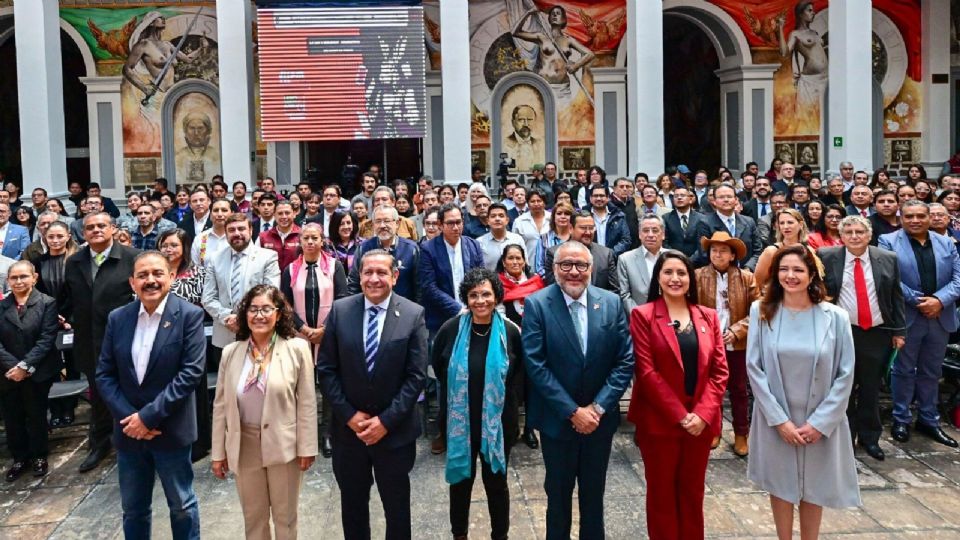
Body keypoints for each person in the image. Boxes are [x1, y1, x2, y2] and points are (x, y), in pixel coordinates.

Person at [746, 244, 860, 540]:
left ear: (812, 275)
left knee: (814, 485)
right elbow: (754, 369)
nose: (790, 276)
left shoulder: (835, 317)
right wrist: (779, 420)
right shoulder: (761, 311)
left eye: (798, 269)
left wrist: (821, 423)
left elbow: (845, 373)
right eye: (783, 269)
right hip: (777, 417)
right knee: (781, 484)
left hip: (818, 418)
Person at [522, 240, 634, 540]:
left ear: (591, 268)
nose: (574, 272)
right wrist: (572, 411)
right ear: (554, 269)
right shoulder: (537, 304)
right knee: (557, 498)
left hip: (600, 421)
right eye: (566, 265)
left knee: (593, 497)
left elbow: (624, 361)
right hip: (557, 422)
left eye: (581, 265)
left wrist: (597, 408)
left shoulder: (610, 302)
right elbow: (535, 364)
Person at [317, 249, 428, 540]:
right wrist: (350, 416)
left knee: (397, 509)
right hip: (348, 434)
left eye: (381, 273)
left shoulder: (413, 314)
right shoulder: (340, 311)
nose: (374, 279)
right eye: (368, 272)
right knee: (352, 508)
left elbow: (416, 376)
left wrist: (386, 422)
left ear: (395, 276)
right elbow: (327, 370)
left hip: (394, 434)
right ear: (359, 276)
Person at [96, 251, 205, 539]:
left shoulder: (189, 316)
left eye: (157, 273)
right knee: (133, 510)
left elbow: (190, 374)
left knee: (182, 505)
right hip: (129, 433)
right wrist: (130, 420)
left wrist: (147, 417)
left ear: (171, 277)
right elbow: (104, 375)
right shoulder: (118, 318)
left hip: (170, 430)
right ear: (132, 282)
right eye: (143, 275)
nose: (151, 280)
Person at [629, 250, 729, 539]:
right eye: (668, 272)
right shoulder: (643, 315)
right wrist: (681, 415)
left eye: (681, 273)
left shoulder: (707, 316)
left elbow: (719, 372)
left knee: (692, 492)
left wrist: (701, 414)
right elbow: (646, 373)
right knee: (661, 494)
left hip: (701, 422)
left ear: (690, 279)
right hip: (660, 422)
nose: (675, 278)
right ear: (658, 278)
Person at [211, 284, 317, 540]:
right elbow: (221, 406)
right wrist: (218, 452)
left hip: (285, 446)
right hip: (244, 445)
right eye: (253, 309)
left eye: (266, 309)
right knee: (254, 519)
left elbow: (307, 403)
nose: (259, 316)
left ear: (279, 314)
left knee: (286, 518)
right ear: (244, 315)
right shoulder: (231, 353)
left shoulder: (297, 349)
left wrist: (307, 447)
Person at [433, 268, 524, 540]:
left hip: (498, 423)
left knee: (497, 482)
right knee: (460, 481)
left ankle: (500, 535)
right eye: (473, 295)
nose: (480, 300)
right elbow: (439, 367)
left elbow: (520, 376)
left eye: (486, 294)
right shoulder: (451, 330)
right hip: (460, 422)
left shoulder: (510, 332)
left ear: (496, 296)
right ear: (465, 298)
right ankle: (459, 534)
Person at [819, 216, 905, 461]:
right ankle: (845, 438)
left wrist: (899, 331)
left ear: (869, 235)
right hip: (842, 333)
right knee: (843, 387)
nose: (854, 236)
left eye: (859, 232)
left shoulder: (888, 259)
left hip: (877, 333)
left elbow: (896, 296)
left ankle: (870, 438)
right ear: (841, 236)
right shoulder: (827, 256)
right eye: (849, 232)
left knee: (870, 388)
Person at [62, 212, 140, 472]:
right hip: (89, 341)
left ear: (113, 229)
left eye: (101, 226)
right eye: (90, 227)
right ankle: (100, 443)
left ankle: (132, 441)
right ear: (83, 233)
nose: (96, 230)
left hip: (126, 340)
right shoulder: (74, 262)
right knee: (99, 396)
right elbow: (68, 299)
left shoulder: (132, 257)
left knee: (130, 391)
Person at [879, 201, 960, 448]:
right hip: (908, 316)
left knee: (932, 372)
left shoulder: (947, 242)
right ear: (901, 217)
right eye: (909, 216)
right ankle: (901, 419)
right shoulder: (888, 241)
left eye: (920, 216)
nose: (915, 220)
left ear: (929, 218)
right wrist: (919, 301)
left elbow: (958, 278)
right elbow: (889, 277)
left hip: (940, 316)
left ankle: (929, 420)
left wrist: (939, 300)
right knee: (903, 370)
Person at [280, 222, 349, 458]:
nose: (310, 242)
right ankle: (304, 433)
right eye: (305, 238)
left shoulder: (334, 266)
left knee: (329, 385)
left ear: (322, 241)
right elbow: (285, 304)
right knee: (302, 386)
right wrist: (304, 328)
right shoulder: (290, 270)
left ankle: (328, 433)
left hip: (328, 335)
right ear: (300, 242)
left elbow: (342, 298)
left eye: (314, 238)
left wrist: (324, 329)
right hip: (299, 337)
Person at [695, 232, 759, 455]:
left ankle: (742, 433)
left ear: (732, 255)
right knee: (710, 388)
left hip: (737, 345)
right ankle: (714, 428)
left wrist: (737, 330)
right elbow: (691, 308)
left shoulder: (747, 278)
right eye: (714, 250)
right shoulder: (697, 276)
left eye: (723, 250)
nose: (717, 254)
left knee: (739, 389)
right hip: (707, 343)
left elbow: (760, 310)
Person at [0, 261, 61, 480]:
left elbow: (46, 339)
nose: (19, 281)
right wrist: (13, 366)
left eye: (23, 276)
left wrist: (25, 366)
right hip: (7, 374)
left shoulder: (47, 303)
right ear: (8, 280)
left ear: (34, 278)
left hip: (37, 371)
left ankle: (39, 456)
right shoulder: (2, 306)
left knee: (36, 414)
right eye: (14, 278)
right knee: (12, 416)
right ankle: (19, 458)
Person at [202, 213, 281, 354]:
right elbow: (207, 298)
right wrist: (227, 317)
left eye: (241, 229)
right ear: (226, 233)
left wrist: (244, 319)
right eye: (231, 230)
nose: (237, 233)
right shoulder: (215, 259)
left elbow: (271, 296)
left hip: (259, 333)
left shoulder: (268, 257)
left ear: (250, 231)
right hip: (224, 335)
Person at [348, 205, 419, 301]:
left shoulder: (411, 249)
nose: (382, 225)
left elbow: (419, 286)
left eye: (386, 221)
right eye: (378, 221)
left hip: (404, 309)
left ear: (397, 223)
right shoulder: (363, 248)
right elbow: (354, 284)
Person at [692, 185, 763, 270]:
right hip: (718, 275)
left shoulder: (749, 222)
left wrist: (747, 269)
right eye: (721, 197)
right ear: (714, 201)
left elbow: (758, 250)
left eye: (729, 196)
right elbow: (704, 254)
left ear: (736, 200)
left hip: (746, 275)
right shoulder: (705, 223)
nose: (726, 200)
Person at [543, 211, 617, 291]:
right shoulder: (554, 254)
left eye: (591, 228)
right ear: (571, 228)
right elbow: (553, 290)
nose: (588, 232)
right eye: (583, 228)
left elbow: (615, 290)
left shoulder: (606, 254)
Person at [753, 208, 818, 286]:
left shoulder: (810, 251)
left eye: (790, 222)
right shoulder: (771, 251)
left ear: (800, 224)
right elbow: (756, 284)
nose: (786, 226)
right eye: (782, 223)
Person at [617, 214, 666, 314]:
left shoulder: (672, 257)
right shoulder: (626, 259)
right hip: (639, 319)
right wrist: (640, 317)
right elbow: (625, 295)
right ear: (639, 234)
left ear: (663, 234)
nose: (650, 235)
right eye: (646, 230)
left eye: (655, 230)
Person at [478, 203, 525, 271]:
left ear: (507, 220)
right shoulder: (480, 243)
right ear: (488, 221)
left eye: (501, 216)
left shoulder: (517, 240)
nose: (497, 219)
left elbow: (524, 265)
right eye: (493, 216)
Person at [587, 184, 631, 257]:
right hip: (589, 259)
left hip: (613, 260)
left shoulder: (618, 215)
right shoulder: (583, 217)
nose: (598, 198)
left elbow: (626, 240)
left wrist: (610, 254)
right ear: (590, 198)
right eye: (595, 196)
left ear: (608, 198)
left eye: (601, 196)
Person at [662, 187, 707, 257]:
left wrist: (691, 260)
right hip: (673, 260)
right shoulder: (666, 218)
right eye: (676, 196)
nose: (679, 198)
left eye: (682, 195)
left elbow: (702, 244)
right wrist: (677, 258)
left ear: (690, 199)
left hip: (696, 262)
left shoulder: (701, 218)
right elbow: (664, 243)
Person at [258, 200, 301, 271]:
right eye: (280, 213)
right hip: (271, 280)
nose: (284, 216)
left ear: (294, 214)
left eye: (287, 213)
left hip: (296, 279)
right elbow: (257, 262)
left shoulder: (303, 235)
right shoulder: (262, 237)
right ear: (274, 215)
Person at [532, 201, 573, 276]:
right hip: (550, 282)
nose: (563, 216)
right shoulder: (543, 239)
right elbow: (539, 267)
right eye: (559, 213)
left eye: (567, 214)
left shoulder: (576, 238)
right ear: (553, 217)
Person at [511, 190, 551, 264]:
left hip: (551, 266)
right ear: (528, 204)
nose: (536, 204)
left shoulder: (553, 219)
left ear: (544, 203)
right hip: (528, 265)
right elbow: (514, 246)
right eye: (532, 201)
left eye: (539, 201)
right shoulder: (519, 221)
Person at [190, 198, 232, 267]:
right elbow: (195, 268)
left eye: (224, 210)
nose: (219, 214)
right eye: (215, 210)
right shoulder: (200, 238)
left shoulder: (238, 237)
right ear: (210, 215)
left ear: (232, 213)